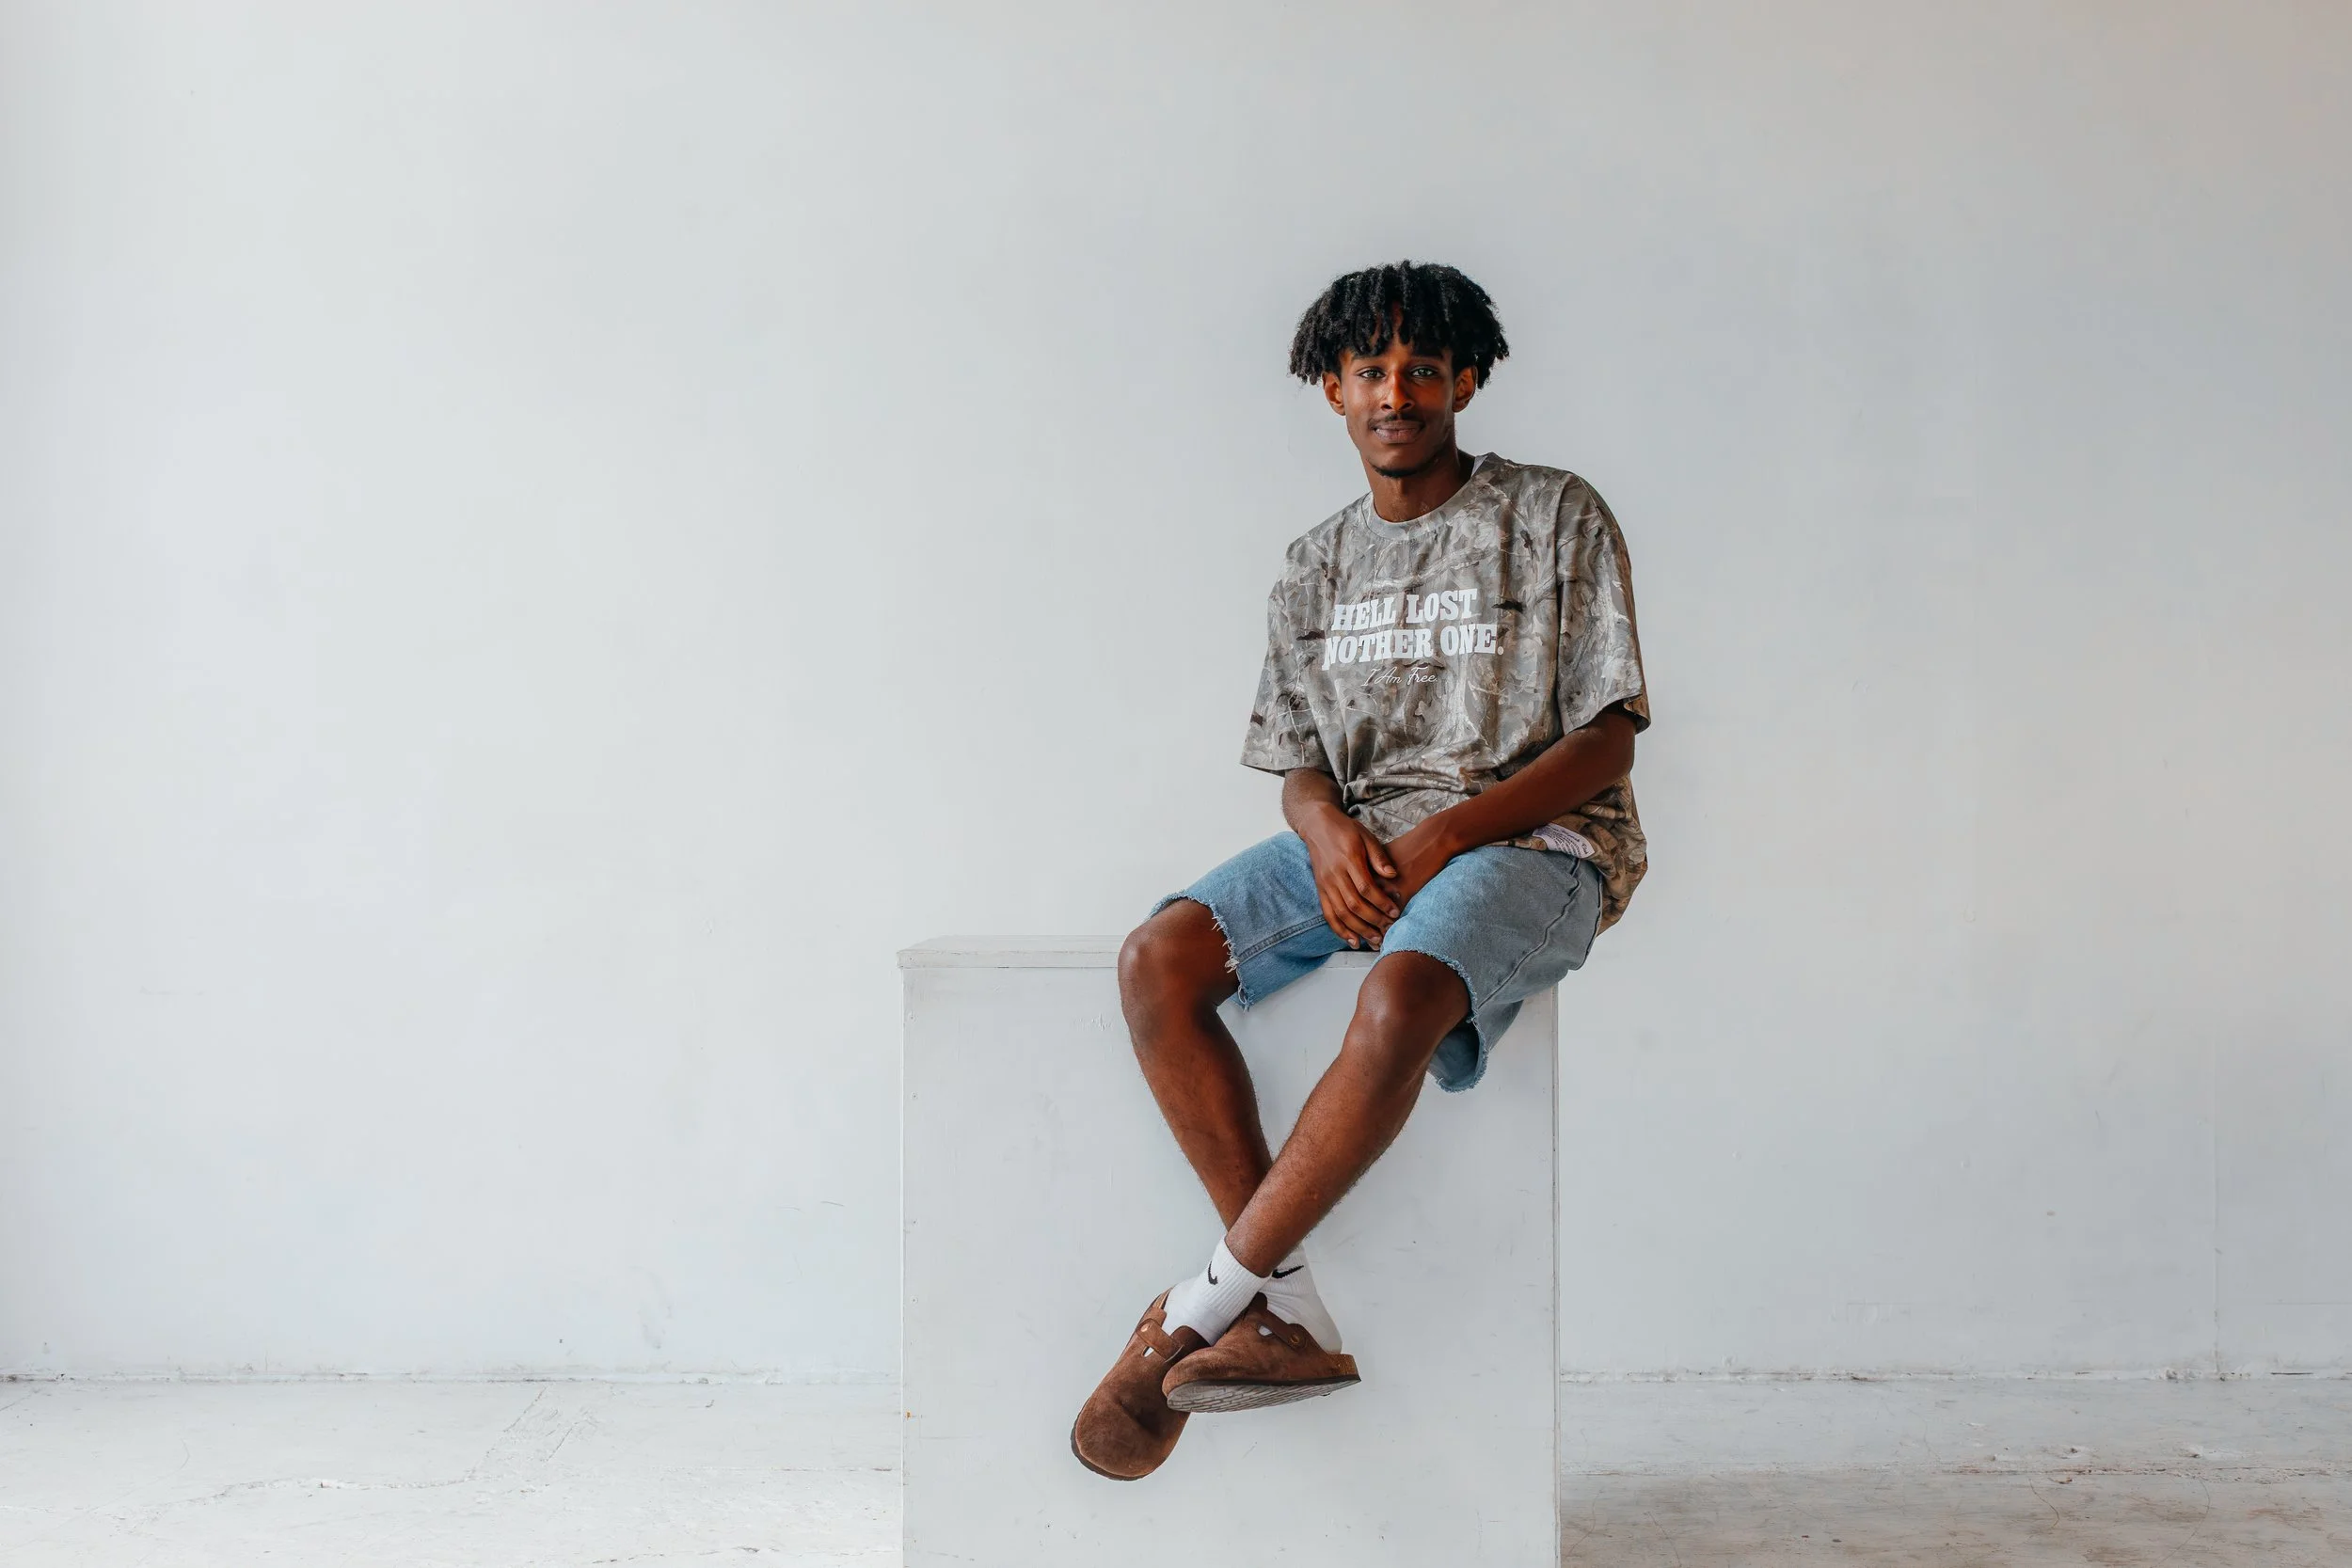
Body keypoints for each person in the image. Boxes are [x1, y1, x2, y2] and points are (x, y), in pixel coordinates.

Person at [1070, 261, 1652, 1481]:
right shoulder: (1316, 562)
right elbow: (1298, 765)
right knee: (1158, 959)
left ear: (1466, 381)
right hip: (1369, 842)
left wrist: (1444, 837)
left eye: (1422, 369)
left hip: (1537, 843)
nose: (1397, 392)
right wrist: (1329, 834)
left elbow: (1607, 738)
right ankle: (1282, 1308)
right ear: (1331, 388)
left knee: (1398, 992)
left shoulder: (1554, 514)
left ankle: (1196, 1309)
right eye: (1372, 370)